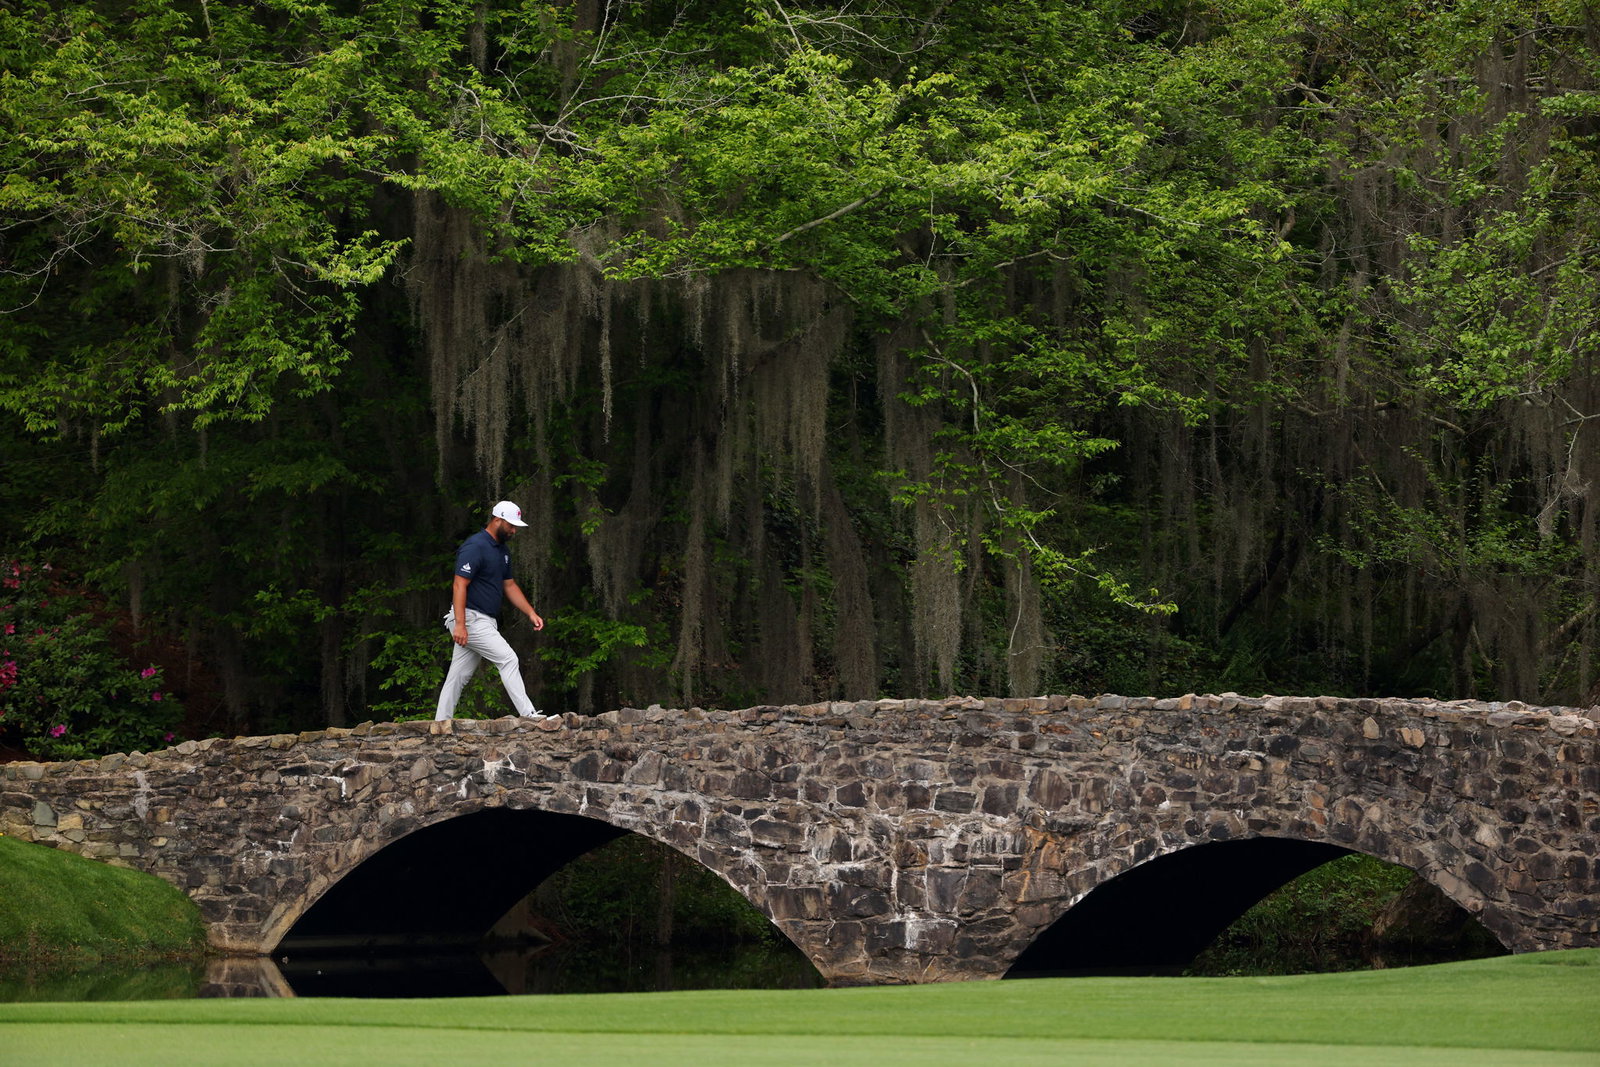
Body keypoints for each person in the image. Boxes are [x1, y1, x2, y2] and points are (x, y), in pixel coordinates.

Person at [434, 500, 553, 722]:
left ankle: (440, 723)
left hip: (483, 621)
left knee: (458, 676)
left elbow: (509, 585)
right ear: (497, 520)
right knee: (508, 659)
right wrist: (460, 624)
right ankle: (529, 715)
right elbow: (459, 585)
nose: (514, 530)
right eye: (511, 525)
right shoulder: (475, 546)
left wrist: (530, 612)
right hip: (469, 619)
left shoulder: (502, 550)